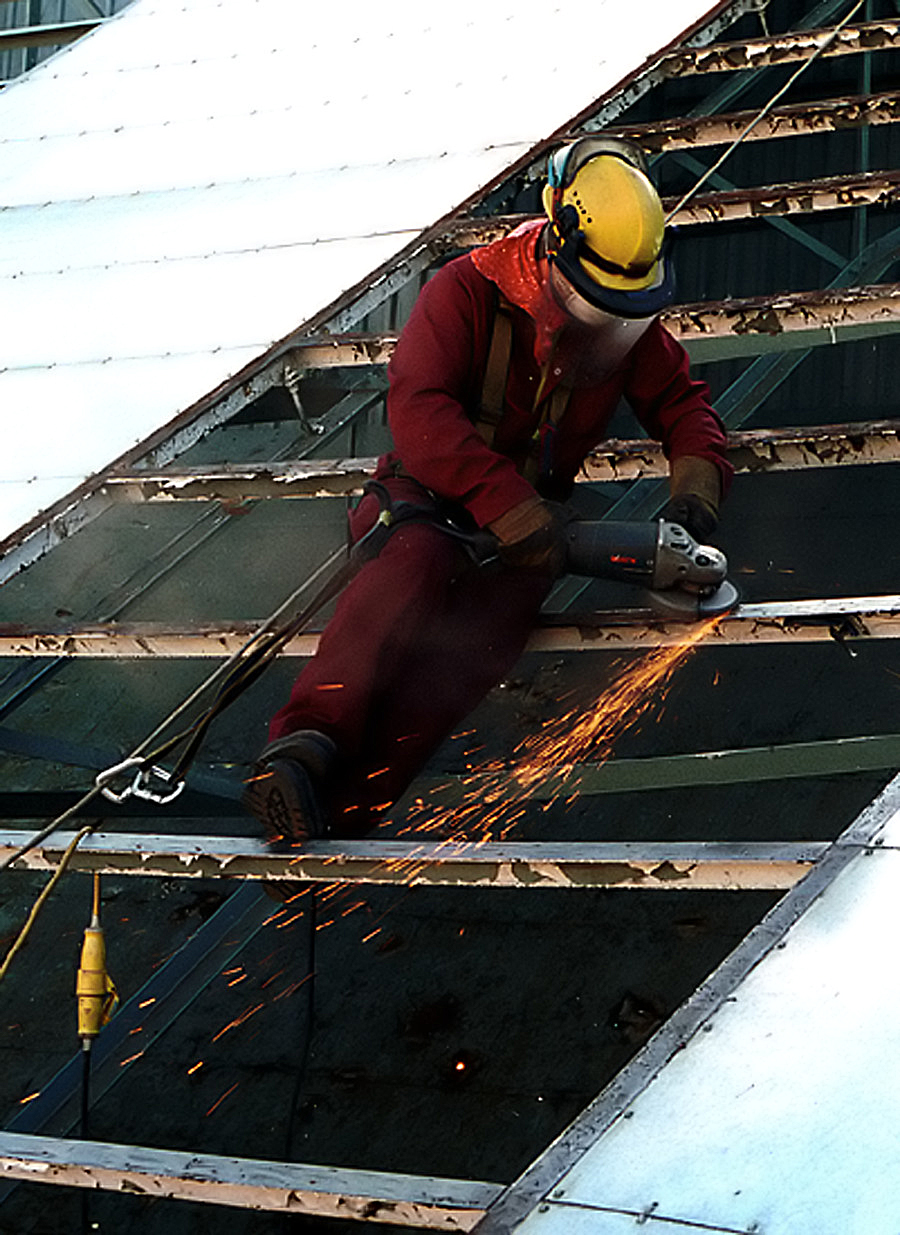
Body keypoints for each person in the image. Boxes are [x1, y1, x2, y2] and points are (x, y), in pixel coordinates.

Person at [244, 135, 732, 843]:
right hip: (424, 502)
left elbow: (685, 406)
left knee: (482, 640)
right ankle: (301, 752)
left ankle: (347, 815)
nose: (607, 321)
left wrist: (696, 488)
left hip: (528, 541)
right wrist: (507, 504)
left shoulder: (625, 320)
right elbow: (419, 408)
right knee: (410, 572)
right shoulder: (466, 289)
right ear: (558, 244)